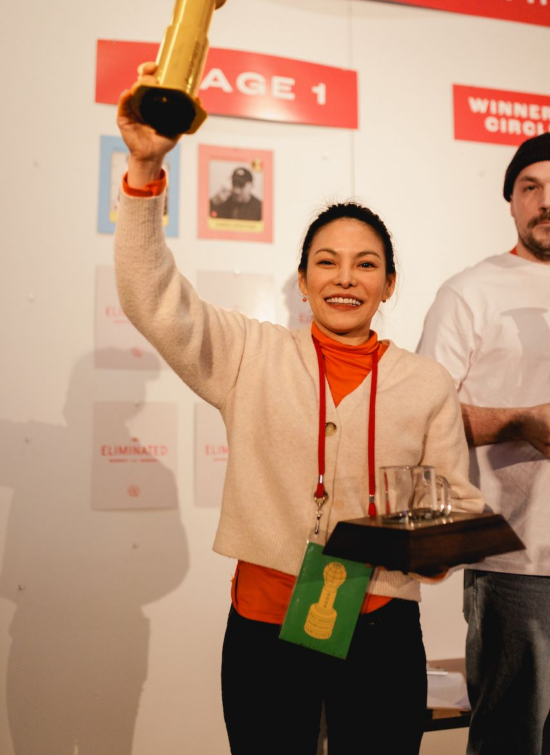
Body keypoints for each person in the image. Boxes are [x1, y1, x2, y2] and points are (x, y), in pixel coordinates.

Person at [115, 64, 484, 755]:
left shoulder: (427, 382)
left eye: (366, 264)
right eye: (327, 261)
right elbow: (151, 297)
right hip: (262, 626)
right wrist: (142, 175)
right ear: (304, 279)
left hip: (381, 628)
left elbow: (455, 505)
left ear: (390, 284)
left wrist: (437, 547)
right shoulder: (249, 354)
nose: (346, 277)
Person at [417, 132, 550, 755]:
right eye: (532, 188)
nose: (546, 201)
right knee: (512, 738)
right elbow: (419, 415)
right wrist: (522, 421)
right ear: (511, 202)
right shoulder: (471, 291)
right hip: (518, 564)